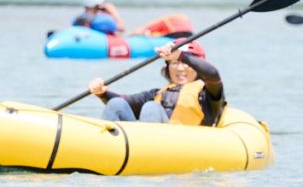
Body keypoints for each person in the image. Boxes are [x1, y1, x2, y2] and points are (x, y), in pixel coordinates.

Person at [88, 39, 225, 126]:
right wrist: (102, 93)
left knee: (151, 107)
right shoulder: (157, 94)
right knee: (116, 104)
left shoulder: (209, 94)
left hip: (181, 147)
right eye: (174, 63)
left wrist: (181, 56)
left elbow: (213, 75)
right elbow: (124, 101)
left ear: (197, 66)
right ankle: (100, 148)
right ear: (167, 67)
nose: (180, 68)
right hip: (146, 143)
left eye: (185, 63)